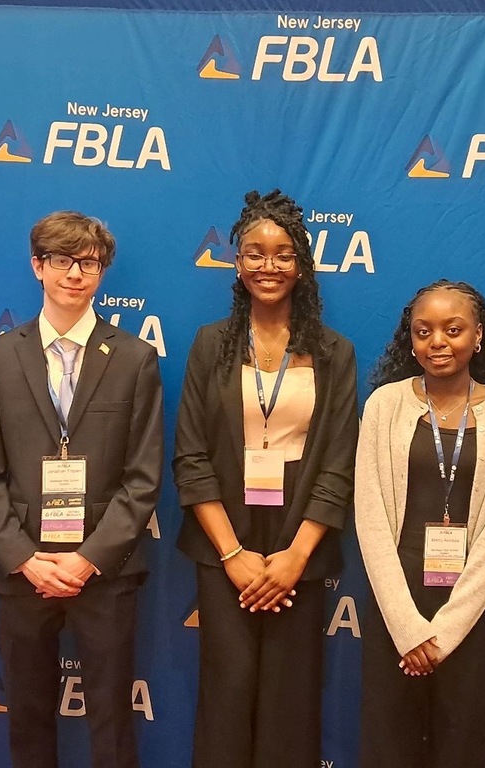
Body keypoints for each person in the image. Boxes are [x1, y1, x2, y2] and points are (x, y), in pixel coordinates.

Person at [0, 211, 163, 768]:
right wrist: (26, 558)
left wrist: (87, 560)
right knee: (27, 715)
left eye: (89, 263)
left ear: (102, 272)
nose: (76, 274)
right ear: (38, 267)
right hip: (23, 570)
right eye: (62, 261)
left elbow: (143, 476)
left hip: (106, 572)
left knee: (111, 719)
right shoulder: (1, 357)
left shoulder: (133, 357)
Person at [173, 189, 358, 768]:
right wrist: (232, 554)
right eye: (255, 252)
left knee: (289, 705)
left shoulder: (333, 352)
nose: (268, 265)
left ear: (300, 264)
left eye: (282, 254)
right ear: (237, 262)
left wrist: (295, 559)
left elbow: (338, 464)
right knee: (225, 701)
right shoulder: (210, 344)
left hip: (298, 557)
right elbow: (191, 458)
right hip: (224, 552)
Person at [355, 279, 485, 768]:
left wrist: (444, 634)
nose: (437, 342)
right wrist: (409, 630)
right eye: (423, 330)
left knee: (460, 743)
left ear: (479, 336)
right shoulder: (384, 406)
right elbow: (369, 517)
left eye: (453, 330)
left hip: (467, 605)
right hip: (396, 599)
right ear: (408, 339)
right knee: (387, 741)